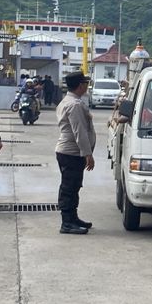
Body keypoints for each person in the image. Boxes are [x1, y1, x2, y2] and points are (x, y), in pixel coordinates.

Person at [54, 72, 97, 234]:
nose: (87, 86)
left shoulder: (70, 101)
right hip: (71, 152)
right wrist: (88, 154)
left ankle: (73, 218)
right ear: (81, 85)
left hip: (71, 152)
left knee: (74, 185)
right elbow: (79, 132)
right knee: (69, 187)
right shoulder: (75, 105)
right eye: (85, 83)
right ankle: (67, 223)